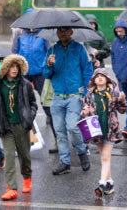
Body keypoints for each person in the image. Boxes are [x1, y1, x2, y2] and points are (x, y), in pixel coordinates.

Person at [42, 27, 94, 176]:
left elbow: (87, 70)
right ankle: (65, 162)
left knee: (72, 127)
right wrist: (49, 65)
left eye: (65, 31)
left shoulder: (79, 49)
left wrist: (84, 92)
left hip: (74, 95)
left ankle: (81, 152)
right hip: (57, 96)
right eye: (60, 31)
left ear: (71, 32)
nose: (62, 33)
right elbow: (46, 74)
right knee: (59, 131)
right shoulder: (52, 50)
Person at [0, 55, 37, 201]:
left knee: (24, 156)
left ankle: (27, 177)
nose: (14, 69)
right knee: (9, 156)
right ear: (5, 68)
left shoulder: (25, 84)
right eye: (12, 66)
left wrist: (29, 116)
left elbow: (33, 104)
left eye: (17, 67)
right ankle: (11, 188)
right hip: (6, 126)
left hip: (22, 126)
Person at [80, 68, 127, 197]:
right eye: (97, 76)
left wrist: (122, 99)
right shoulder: (89, 95)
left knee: (106, 157)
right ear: (94, 80)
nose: (100, 78)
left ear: (107, 79)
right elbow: (84, 112)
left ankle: (101, 184)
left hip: (111, 129)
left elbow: (122, 110)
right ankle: (109, 184)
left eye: (102, 76)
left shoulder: (113, 93)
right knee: (104, 158)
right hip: (96, 130)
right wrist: (85, 111)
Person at [12, 28, 57, 153]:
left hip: (40, 73)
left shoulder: (43, 34)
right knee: (22, 107)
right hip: (23, 73)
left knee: (48, 105)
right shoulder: (19, 34)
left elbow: (49, 52)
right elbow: (14, 53)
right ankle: (24, 141)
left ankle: (58, 140)